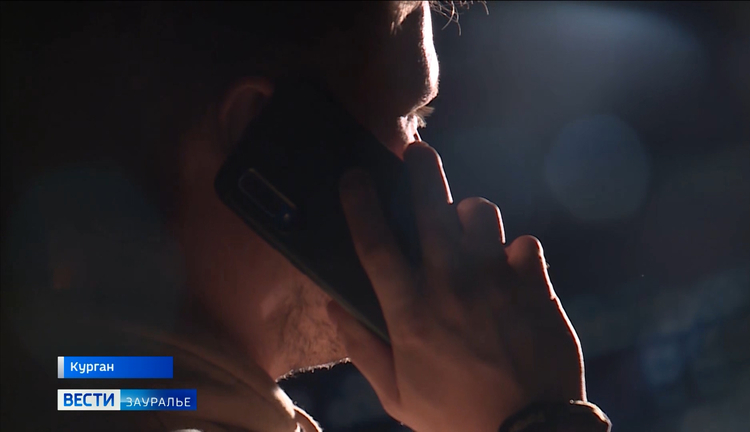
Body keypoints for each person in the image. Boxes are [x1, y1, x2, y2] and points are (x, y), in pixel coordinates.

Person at [0, 2, 610, 431]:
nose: (426, 164)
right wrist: (534, 421)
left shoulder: (87, 387)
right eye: (409, 117)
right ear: (258, 133)